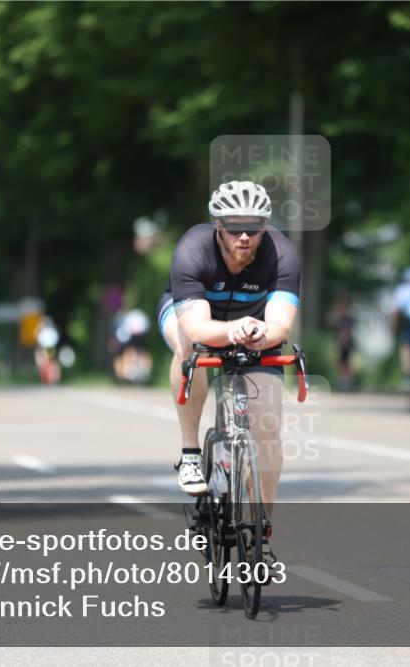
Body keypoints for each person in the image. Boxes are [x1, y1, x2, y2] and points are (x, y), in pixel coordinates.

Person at [157, 180, 300, 563]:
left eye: (253, 228)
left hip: (253, 328)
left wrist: (260, 332)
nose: (244, 236)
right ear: (217, 226)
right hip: (194, 316)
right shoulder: (192, 249)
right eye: (234, 227)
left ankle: (261, 532)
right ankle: (190, 451)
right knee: (189, 347)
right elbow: (199, 329)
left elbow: (281, 326)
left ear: (265, 227)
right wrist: (230, 331)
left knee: (267, 430)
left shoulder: (282, 253)